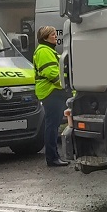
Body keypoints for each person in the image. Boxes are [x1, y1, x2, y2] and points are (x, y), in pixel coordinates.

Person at [33, 26, 69, 167]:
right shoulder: (43, 51)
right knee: (52, 126)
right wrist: (66, 85)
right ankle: (52, 157)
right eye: (53, 34)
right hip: (51, 91)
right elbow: (52, 73)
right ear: (45, 37)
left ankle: (53, 156)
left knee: (53, 125)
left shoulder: (48, 50)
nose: (56, 36)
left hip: (52, 91)